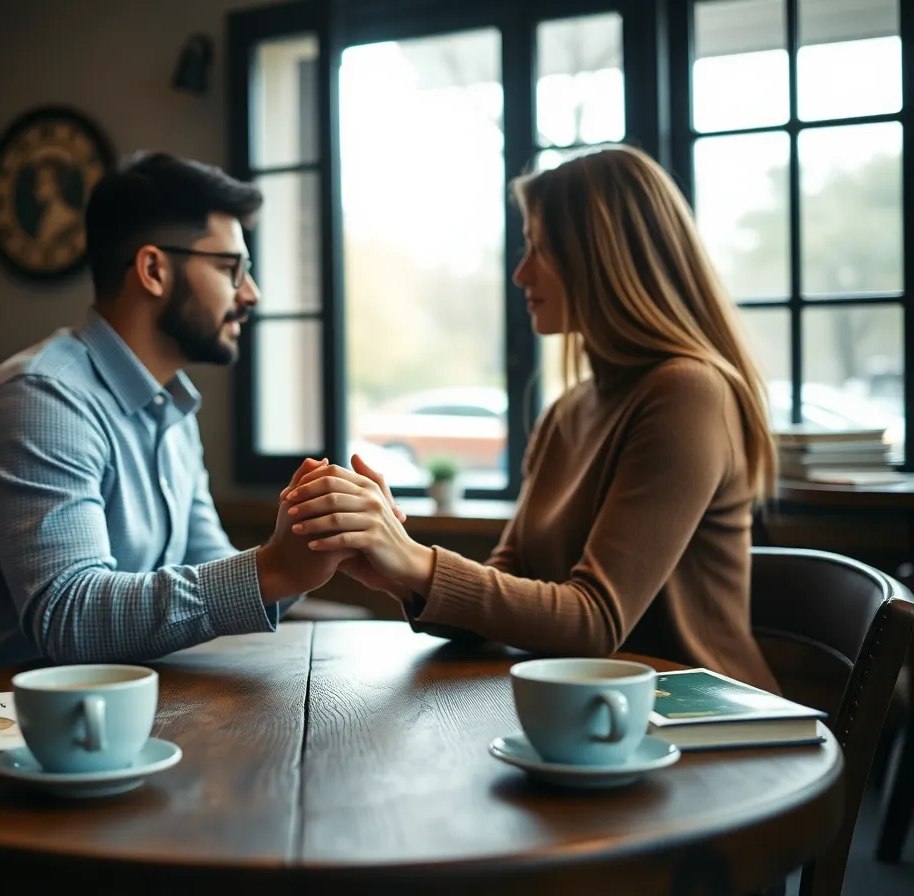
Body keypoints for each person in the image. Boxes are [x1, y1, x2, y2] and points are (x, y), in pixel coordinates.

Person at [282, 144, 780, 692]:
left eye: (540, 249)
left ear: (603, 259)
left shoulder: (687, 392)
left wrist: (418, 563)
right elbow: (509, 591)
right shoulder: (568, 412)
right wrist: (397, 569)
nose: (521, 274)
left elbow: (595, 622)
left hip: (708, 726)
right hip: (599, 712)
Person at [0, 152, 363, 693]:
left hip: (98, 711)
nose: (251, 294)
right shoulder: (42, 399)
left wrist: (317, 545)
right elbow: (68, 615)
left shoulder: (171, 411)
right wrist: (271, 570)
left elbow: (210, 568)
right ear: (153, 270)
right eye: (232, 268)